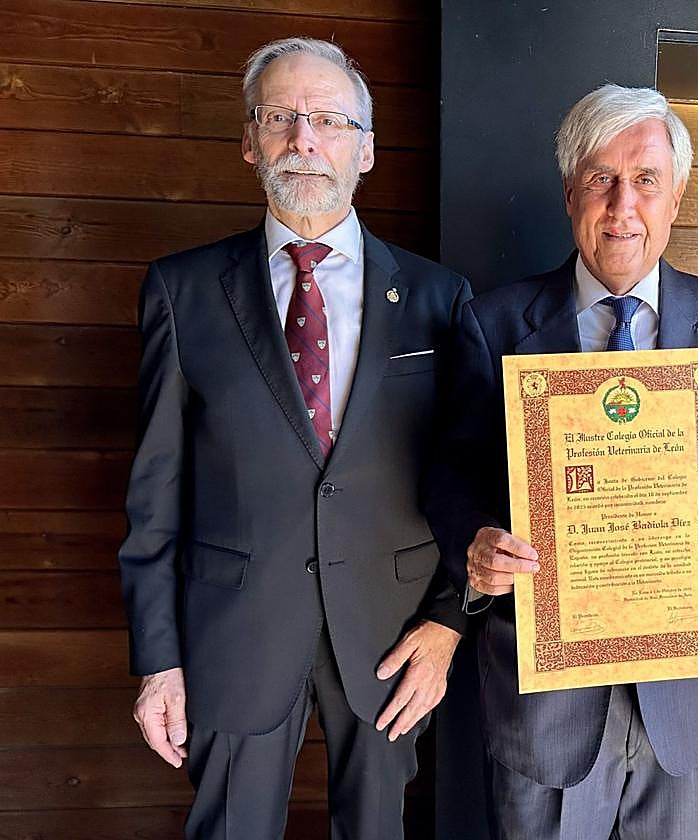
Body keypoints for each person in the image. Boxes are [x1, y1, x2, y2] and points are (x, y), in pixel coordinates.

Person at [118, 37, 471, 840]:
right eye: (280, 117)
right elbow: (154, 496)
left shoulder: (438, 296)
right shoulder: (182, 292)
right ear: (250, 141)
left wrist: (450, 619)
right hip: (231, 634)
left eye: (327, 120)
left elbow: (471, 476)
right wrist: (158, 658)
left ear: (367, 149)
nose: (303, 139)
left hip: (392, 637)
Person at [422, 84, 698, 840]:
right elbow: (451, 475)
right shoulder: (492, 323)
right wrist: (475, 543)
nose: (623, 204)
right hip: (545, 708)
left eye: (646, 179)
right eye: (600, 180)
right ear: (569, 193)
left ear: (675, 195)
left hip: (680, 703)